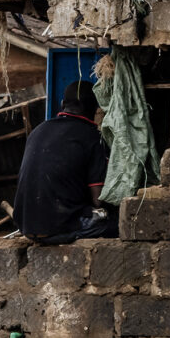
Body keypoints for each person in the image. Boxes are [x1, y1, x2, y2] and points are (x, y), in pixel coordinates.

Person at [17, 79, 116, 243]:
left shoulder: (38, 130)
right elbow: (98, 199)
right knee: (118, 225)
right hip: (58, 228)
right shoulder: (92, 137)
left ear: (63, 104)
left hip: (26, 226)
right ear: (94, 109)